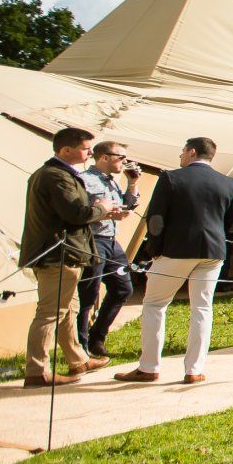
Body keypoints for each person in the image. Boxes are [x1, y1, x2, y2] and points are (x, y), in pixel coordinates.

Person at [116, 137, 233, 384]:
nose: (181, 156)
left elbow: (155, 220)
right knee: (202, 309)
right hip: (213, 252)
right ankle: (194, 370)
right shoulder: (227, 182)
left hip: (176, 249)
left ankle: (149, 367)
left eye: (182, 151)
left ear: (192, 152)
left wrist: (154, 250)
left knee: (154, 304)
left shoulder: (171, 178)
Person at [20, 127, 123, 386]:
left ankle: (78, 359)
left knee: (69, 309)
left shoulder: (57, 174)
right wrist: (101, 208)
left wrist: (102, 213)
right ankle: (37, 370)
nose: (90, 153)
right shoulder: (57, 176)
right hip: (58, 255)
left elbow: (70, 213)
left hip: (66, 253)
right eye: (86, 148)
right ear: (66, 150)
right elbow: (76, 213)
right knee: (50, 313)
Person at [75, 139, 140, 359]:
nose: (125, 162)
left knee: (123, 288)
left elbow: (127, 204)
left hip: (112, 240)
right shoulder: (84, 180)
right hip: (93, 240)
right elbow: (80, 211)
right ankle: (81, 346)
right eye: (121, 157)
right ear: (104, 157)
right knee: (88, 294)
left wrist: (132, 183)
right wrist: (105, 213)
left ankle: (97, 337)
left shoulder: (112, 181)